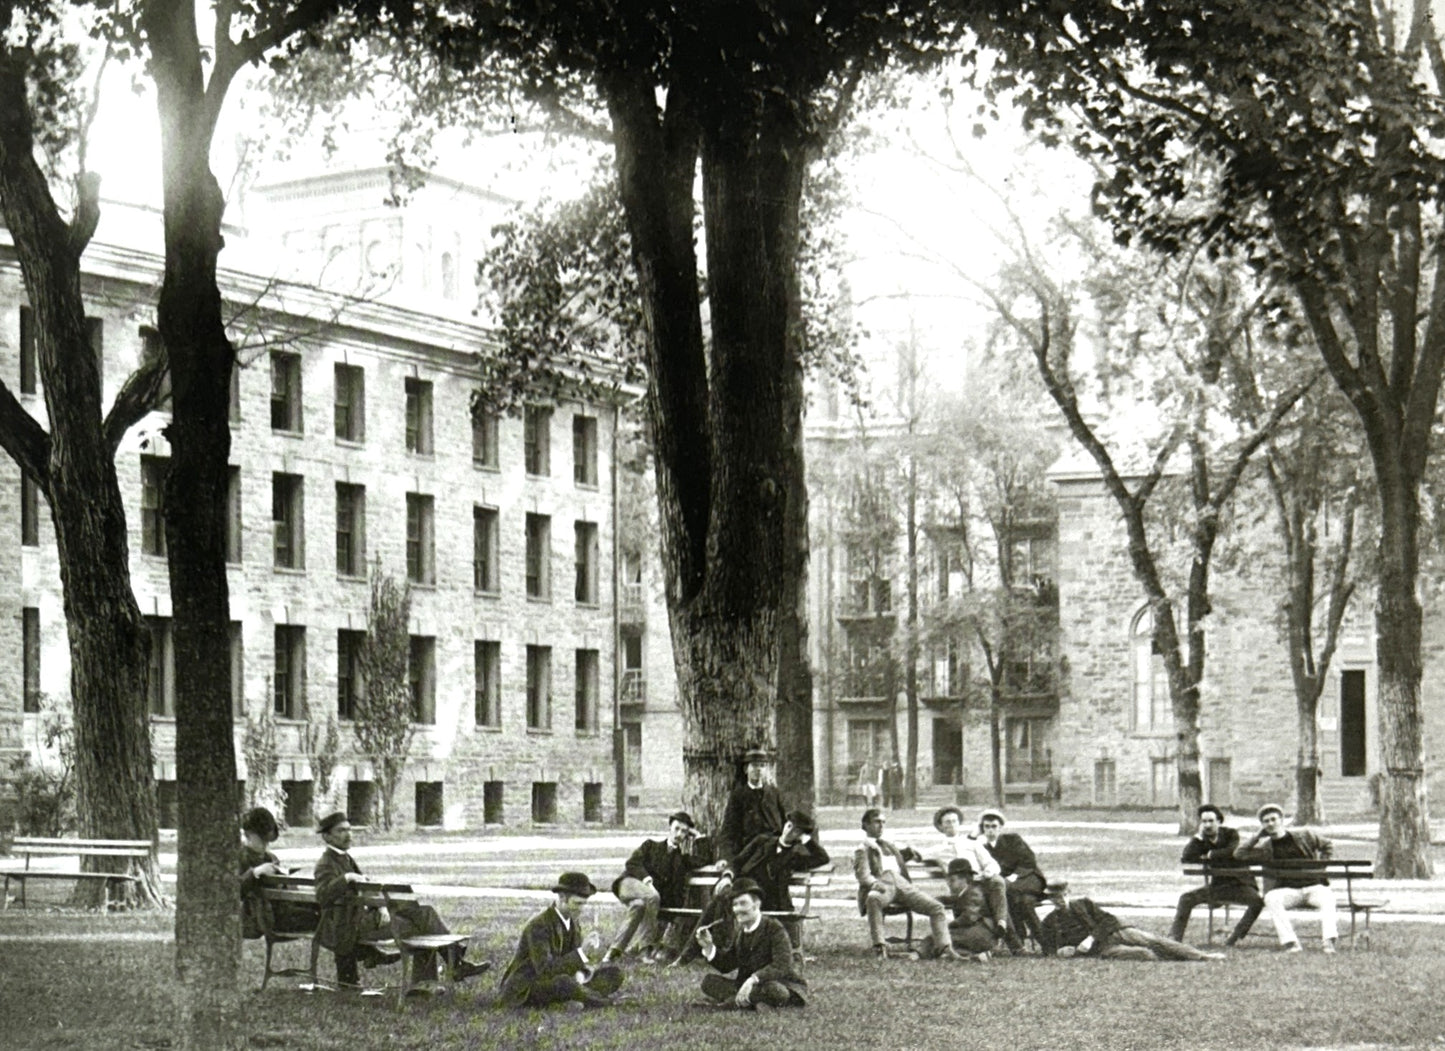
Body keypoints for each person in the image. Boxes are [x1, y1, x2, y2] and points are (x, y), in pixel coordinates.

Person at [313, 811, 488, 987]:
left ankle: (443, 972)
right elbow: (322, 896)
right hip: (352, 927)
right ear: (327, 837)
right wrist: (347, 878)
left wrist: (380, 908)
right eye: (341, 831)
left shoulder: (343, 858)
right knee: (424, 924)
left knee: (425, 914)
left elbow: (364, 891)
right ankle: (438, 975)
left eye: (349, 830)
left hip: (364, 919)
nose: (348, 835)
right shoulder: (326, 862)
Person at [678, 811, 828, 964]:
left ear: (800, 835)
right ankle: (690, 955)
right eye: (789, 826)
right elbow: (738, 861)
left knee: (719, 902)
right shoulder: (762, 841)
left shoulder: (795, 854)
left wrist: (806, 840)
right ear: (784, 824)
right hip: (744, 891)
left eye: (796, 830)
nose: (789, 831)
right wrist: (728, 876)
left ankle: (703, 954)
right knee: (718, 901)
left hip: (769, 900)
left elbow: (822, 858)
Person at [606, 810, 714, 965]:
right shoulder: (651, 846)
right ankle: (644, 950)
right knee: (652, 896)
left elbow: (703, 860)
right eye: (676, 829)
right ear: (669, 828)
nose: (679, 834)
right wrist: (648, 881)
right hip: (629, 883)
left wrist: (698, 837)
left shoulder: (681, 860)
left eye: (684, 832)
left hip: (646, 899)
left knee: (639, 906)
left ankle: (613, 952)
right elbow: (632, 864)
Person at [853, 808, 962, 961]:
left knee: (936, 907)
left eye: (883, 822)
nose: (881, 826)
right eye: (877, 822)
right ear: (866, 825)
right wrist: (874, 884)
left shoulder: (889, 845)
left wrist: (912, 853)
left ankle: (945, 948)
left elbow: (903, 857)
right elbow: (863, 875)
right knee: (873, 898)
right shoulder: (863, 848)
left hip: (902, 884)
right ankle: (880, 947)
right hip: (884, 883)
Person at [1233, 803, 1338, 954]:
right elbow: (1239, 854)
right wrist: (1256, 837)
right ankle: (1291, 942)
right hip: (1288, 891)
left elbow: (1327, 845)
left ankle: (1328, 942)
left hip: (1313, 887)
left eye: (1273, 819)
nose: (1270, 824)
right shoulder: (1266, 847)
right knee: (1271, 898)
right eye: (1266, 821)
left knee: (1328, 897)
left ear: (1281, 820)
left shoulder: (1305, 835)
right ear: (1262, 825)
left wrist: (1320, 867)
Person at [1040, 878, 1224, 961]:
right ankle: (1175, 957)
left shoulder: (1083, 903)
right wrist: (1063, 951)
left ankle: (1201, 956)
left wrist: (1090, 938)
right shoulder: (1050, 921)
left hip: (1116, 932)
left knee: (1152, 940)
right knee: (1144, 954)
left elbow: (1109, 920)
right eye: (1054, 898)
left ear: (1068, 893)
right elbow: (1049, 948)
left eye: (1061, 896)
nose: (1059, 901)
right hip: (1103, 948)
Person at [693, 878, 806, 1010]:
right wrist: (708, 946)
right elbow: (727, 965)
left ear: (756, 905)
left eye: (743, 903)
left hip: (781, 985)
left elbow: (782, 965)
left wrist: (753, 979)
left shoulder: (774, 928)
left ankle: (725, 1005)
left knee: (774, 990)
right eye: (735, 905)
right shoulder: (741, 932)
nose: (737, 909)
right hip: (750, 986)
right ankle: (754, 1002)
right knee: (708, 982)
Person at [1169, 803, 1264, 947]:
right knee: (1186, 899)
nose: (1207, 825)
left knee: (1257, 902)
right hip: (1218, 887)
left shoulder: (1231, 834)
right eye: (1204, 821)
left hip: (1240, 884)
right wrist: (1198, 837)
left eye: (1211, 821)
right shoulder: (1202, 840)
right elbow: (1187, 856)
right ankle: (1174, 940)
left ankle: (1235, 936)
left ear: (1219, 821)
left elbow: (1232, 851)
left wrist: (1210, 854)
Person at [931, 805, 1018, 952]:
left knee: (997, 881)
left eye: (954, 821)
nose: (952, 825)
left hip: (982, 881)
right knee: (994, 898)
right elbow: (916, 855)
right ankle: (1012, 939)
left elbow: (992, 864)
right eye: (947, 822)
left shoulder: (972, 843)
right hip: (963, 888)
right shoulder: (936, 851)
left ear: (959, 823)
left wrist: (987, 873)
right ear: (940, 826)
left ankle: (1002, 924)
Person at [976, 808, 1047, 951]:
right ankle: (1031, 940)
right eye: (986, 827)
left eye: (994, 826)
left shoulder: (1012, 839)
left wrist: (1014, 876)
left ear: (1000, 828)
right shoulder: (982, 847)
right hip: (1009, 887)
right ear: (982, 829)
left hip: (1028, 877)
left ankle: (1035, 941)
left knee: (1010, 893)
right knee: (1022, 901)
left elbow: (1029, 861)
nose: (990, 830)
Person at [238, 806, 314, 938]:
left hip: (285, 911)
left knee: (329, 910)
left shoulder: (271, 857)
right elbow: (236, 890)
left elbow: (288, 893)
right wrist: (256, 872)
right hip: (261, 918)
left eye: (268, 842)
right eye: (262, 840)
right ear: (248, 834)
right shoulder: (240, 857)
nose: (265, 845)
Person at [719, 748, 787, 869]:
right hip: (750, 854)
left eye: (762, 766)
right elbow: (728, 832)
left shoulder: (773, 793)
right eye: (754, 765)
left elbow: (784, 822)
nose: (759, 769)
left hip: (774, 851)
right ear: (746, 769)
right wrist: (726, 858)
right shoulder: (738, 796)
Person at [924, 858, 995, 962]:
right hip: (976, 932)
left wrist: (946, 926)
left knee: (941, 937)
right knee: (944, 939)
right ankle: (970, 955)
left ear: (964, 880)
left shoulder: (974, 893)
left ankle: (919, 953)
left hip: (980, 932)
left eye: (952, 880)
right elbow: (951, 899)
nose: (948, 883)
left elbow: (969, 917)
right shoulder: (965, 892)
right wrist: (934, 900)